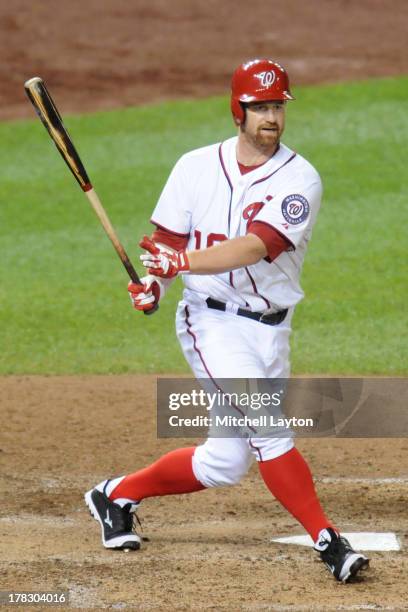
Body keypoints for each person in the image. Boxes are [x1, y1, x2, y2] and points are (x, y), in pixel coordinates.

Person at [85, 59, 369, 582]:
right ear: (237, 109)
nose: (271, 117)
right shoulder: (193, 167)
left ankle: (114, 494)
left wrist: (180, 263)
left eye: (278, 106)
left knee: (224, 463)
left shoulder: (300, 179)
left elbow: (258, 245)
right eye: (260, 107)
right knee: (269, 427)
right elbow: (167, 246)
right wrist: (155, 285)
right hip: (209, 324)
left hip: (271, 331)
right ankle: (329, 542)